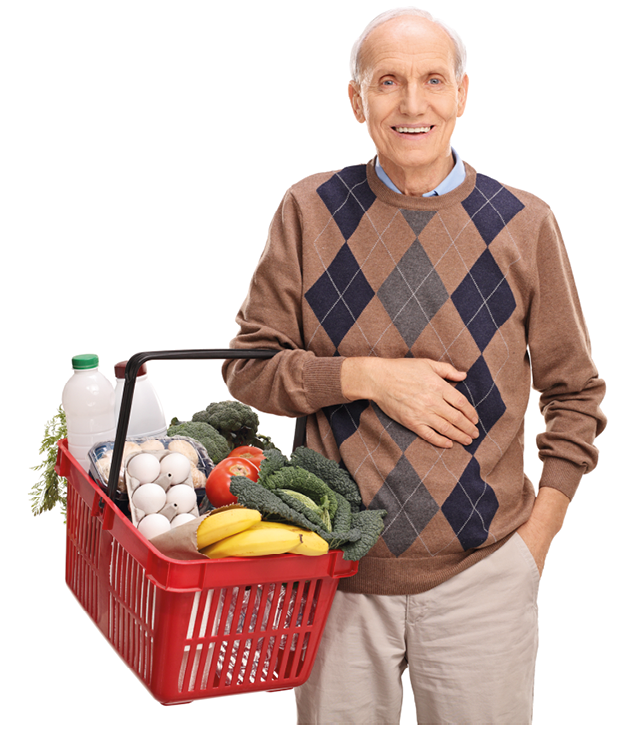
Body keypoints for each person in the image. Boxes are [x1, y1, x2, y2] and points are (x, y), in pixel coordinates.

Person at [222, 7, 606, 724]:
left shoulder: (524, 223)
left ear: (462, 93)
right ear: (356, 99)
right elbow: (248, 369)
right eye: (388, 81)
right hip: (333, 577)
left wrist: (537, 538)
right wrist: (368, 376)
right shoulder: (308, 210)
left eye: (433, 80)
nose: (412, 103)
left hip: (484, 577)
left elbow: (576, 394)